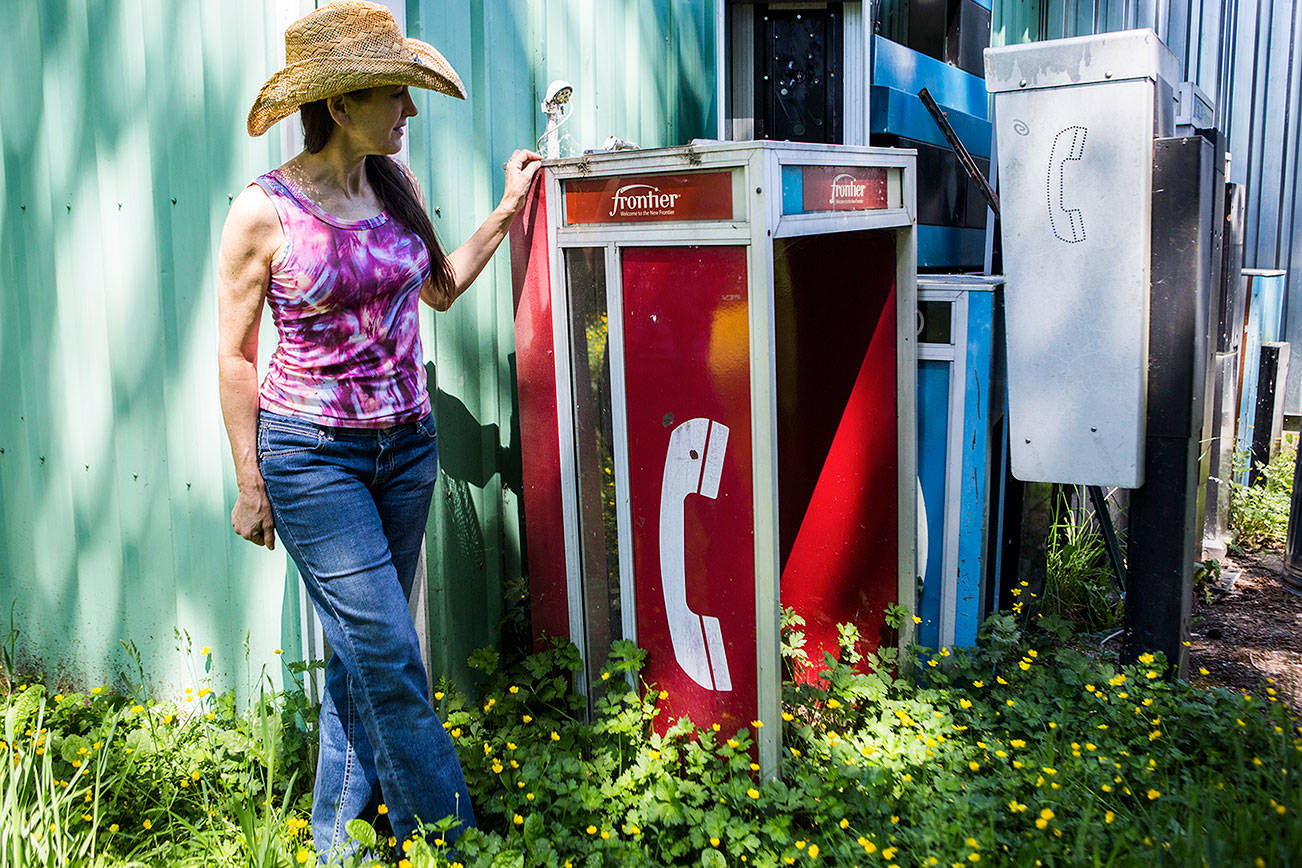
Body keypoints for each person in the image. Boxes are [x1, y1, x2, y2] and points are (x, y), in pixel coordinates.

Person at [215, 1, 541, 858]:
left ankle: (334, 836)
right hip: (312, 459)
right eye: (396, 94)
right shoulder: (263, 211)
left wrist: (505, 212)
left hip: (405, 451)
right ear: (340, 104)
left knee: (365, 657)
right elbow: (236, 358)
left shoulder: (397, 187)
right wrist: (251, 482)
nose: (410, 110)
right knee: (393, 658)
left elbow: (437, 289)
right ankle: (451, 838)